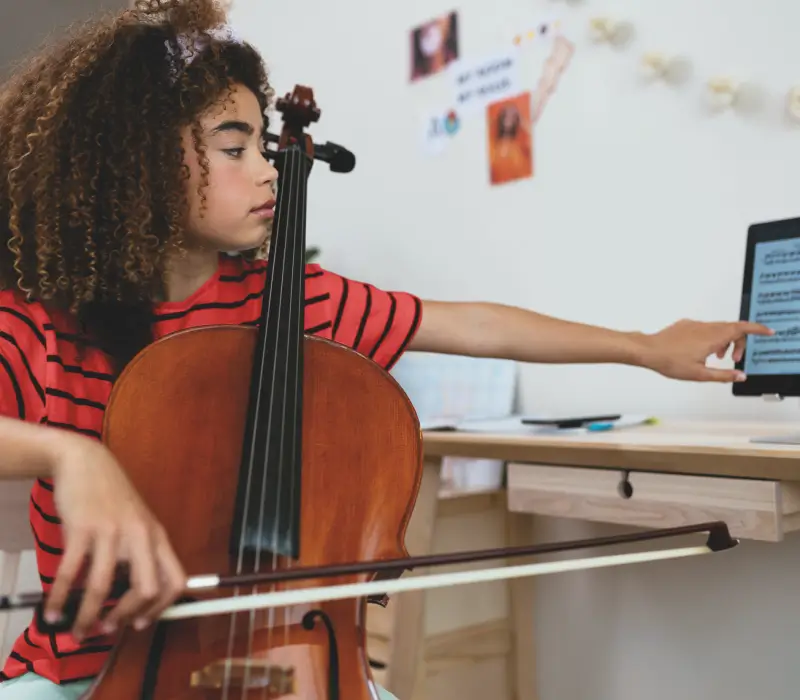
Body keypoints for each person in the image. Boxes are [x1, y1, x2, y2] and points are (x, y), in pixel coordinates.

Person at [0, 1, 772, 698]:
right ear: (135, 163)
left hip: (293, 655)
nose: (270, 170)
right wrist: (75, 457)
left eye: (265, 147)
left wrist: (643, 348)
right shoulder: (47, 317)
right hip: (87, 674)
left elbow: (472, 326)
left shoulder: (287, 303)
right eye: (234, 149)